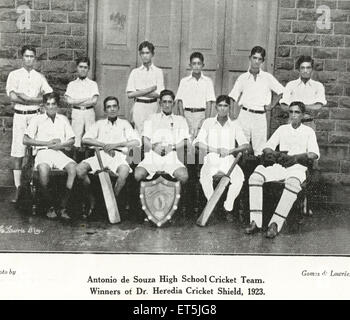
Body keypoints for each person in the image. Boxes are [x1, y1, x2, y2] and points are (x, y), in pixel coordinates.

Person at [245, 101, 320, 239]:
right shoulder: (282, 129)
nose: (293, 115)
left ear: (303, 115)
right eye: (291, 112)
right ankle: (255, 221)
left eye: (297, 112)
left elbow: (314, 154)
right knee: (255, 177)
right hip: (281, 165)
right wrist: (276, 155)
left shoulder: (308, 131)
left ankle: (275, 223)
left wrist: (297, 157)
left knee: (292, 183)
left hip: (298, 167)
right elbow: (267, 147)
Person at [76, 96, 140, 217]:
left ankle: (111, 202)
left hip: (118, 156)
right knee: (79, 170)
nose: (112, 109)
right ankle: (92, 200)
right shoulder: (99, 124)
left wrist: (117, 144)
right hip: (100, 155)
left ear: (118, 108)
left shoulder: (124, 124)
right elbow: (85, 139)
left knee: (124, 172)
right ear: (105, 110)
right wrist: (104, 145)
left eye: (114, 106)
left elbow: (136, 142)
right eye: (109, 107)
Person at [6, 45, 53, 203]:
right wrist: (24, 99)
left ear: (35, 58)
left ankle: (34, 189)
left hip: (35, 116)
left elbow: (48, 96)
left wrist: (28, 98)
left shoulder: (39, 77)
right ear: (22, 57)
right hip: (20, 116)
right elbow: (12, 96)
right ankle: (18, 189)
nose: (29, 59)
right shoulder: (14, 75)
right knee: (18, 153)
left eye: (32, 56)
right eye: (26, 56)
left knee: (35, 153)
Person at [193, 95, 249, 221]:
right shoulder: (208, 123)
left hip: (229, 160)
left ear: (229, 107)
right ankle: (212, 204)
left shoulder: (235, 124)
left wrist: (232, 150)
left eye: (226, 106)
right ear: (216, 107)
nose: (223, 109)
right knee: (205, 177)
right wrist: (215, 150)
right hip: (212, 159)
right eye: (220, 105)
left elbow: (245, 144)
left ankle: (227, 207)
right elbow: (197, 142)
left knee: (239, 178)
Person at [23, 92, 76, 220]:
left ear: (57, 106)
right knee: (43, 170)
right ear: (44, 106)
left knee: (73, 169)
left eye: (53, 104)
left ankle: (63, 206)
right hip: (43, 152)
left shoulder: (63, 119)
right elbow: (25, 140)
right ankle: (50, 206)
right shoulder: (37, 119)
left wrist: (61, 145)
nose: (51, 107)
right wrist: (46, 143)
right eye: (48, 104)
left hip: (59, 152)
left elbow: (72, 140)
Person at [228, 46, 284, 156]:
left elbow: (281, 92)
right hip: (244, 114)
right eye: (254, 58)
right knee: (241, 147)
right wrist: (233, 116)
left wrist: (271, 106)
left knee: (259, 150)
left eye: (259, 59)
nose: (256, 61)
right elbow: (233, 97)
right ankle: (240, 172)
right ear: (250, 58)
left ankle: (257, 172)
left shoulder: (267, 77)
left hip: (260, 116)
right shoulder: (243, 78)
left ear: (262, 61)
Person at [134, 89, 189, 184]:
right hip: (153, 154)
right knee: (138, 174)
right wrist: (154, 147)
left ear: (174, 104)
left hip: (171, 155)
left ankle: (176, 198)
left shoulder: (180, 120)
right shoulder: (151, 118)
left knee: (183, 176)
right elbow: (144, 138)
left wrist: (171, 148)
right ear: (160, 103)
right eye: (164, 102)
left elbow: (186, 140)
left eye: (170, 102)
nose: (167, 105)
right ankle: (143, 198)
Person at [126, 41, 164, 134]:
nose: (145, 56)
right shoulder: (135, 72)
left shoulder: (158, 72)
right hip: (139, 106)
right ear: (140, 54)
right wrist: (150, 89)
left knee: (151, 132)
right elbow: (130, 94)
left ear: (152, 54)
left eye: (147, 53)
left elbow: (159, 94)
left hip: (153, 106)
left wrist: (139, 92)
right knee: (138, 132)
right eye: (142, 53)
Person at [175, 52, 216, 140]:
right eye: (194, 64)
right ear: (190, 65)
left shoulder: (208, 81)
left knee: (200, 140)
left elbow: (209, 102)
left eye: (199, 64)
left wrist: (206, 120)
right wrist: (183, 119)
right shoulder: (184, 81)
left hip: (201, 115)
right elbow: (180, 101)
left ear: (203, 65)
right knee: (187, 139)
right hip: (187, 114)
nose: (196, 66)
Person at [280, 55, 327, 130]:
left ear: (312, 69)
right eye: (302, 68)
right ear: (299, 69)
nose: (305, 70)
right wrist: (308, 107)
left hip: (309, 123)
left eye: (308, 67)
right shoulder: (291, 85)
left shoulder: (318, 86)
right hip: (292, 123)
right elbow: (283, 105)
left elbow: (318, 107)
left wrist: (297, 108)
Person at [64, 57, 99, 155]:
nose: (83, 69)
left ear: (88, 69)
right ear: (77, 68)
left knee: (90, 137)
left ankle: (90, 162)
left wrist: (76, 101)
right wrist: (86, 99)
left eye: (85, 67)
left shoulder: (93, 84)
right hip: (77, 112)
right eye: (80, 67)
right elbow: (69, 101)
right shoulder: (72, 84)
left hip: (89, 112)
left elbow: (94, 101)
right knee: (76, 138)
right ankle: (76, 162)